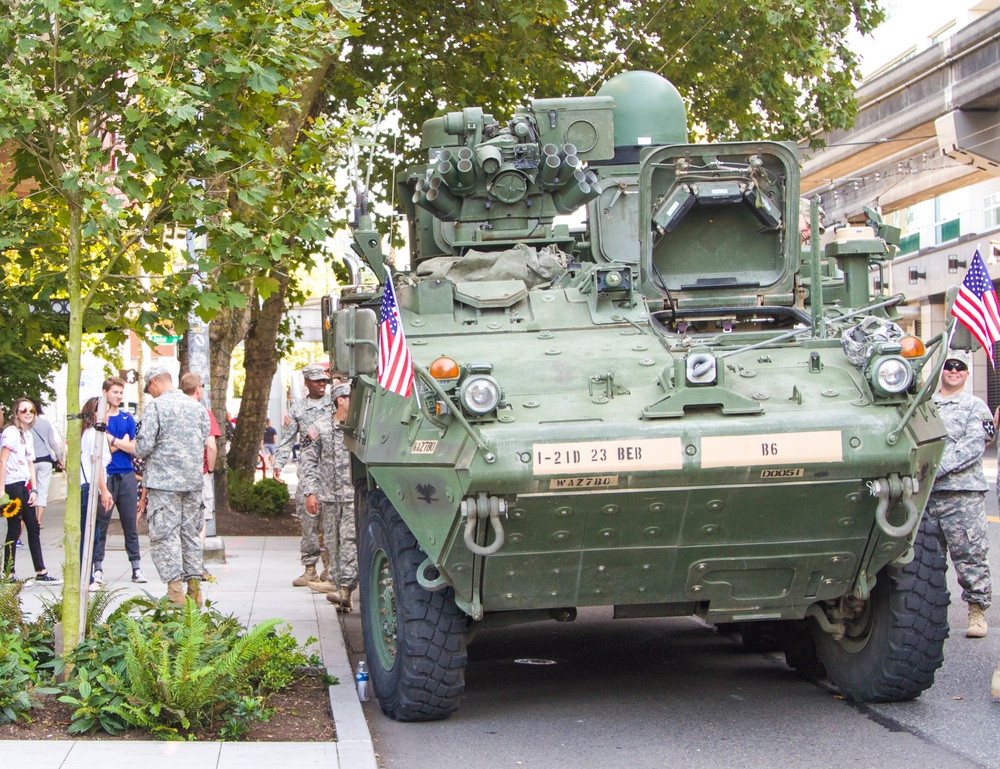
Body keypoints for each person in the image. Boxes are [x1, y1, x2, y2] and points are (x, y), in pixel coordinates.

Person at [928, 350, 993, 638]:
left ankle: (977, 612)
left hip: (962, 494)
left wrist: (934, 467)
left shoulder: (975, 406)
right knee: (924, 560)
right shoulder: (925, 405)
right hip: (925, 496)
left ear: (967, 373)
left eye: (960, 367)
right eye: (949, 366)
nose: (954, 371)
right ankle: (928, 617)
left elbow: (974, 445)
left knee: (970, 555)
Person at [135, 366, 210, 606]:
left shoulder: (156, 407)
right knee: (190, 535)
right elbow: (204, 440)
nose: (150, 393)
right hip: (192, 482)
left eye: (149, 388)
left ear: (155, 382)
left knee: (165, 536)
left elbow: (143, 446)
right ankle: (195, 592)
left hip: (164, 484)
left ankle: (175, 594)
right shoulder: (197, 408)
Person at [273, 363, 332, 587]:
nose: (321, 384)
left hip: (331, 473)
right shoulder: (298, 408)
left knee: (331, 524)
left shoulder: (334, 404)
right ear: (306, 383)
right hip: (308, 474)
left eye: (324, 381)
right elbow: (288, 439)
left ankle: (330, 568)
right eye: (316, 381)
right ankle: (309, 570)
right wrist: (278, 463)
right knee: (308, 523)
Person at [300, 383, 357, 611]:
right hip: (330, 497)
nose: (353, 400)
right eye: (349, 396)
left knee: (349, 541)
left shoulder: (358, 428)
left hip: (354, 496)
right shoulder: (319, 427)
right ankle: (338, 586)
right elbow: (308, 461)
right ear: (339, 400)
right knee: (333, 542)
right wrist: (310, 492)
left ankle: (345, 589)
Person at [0, 398, 60, 583]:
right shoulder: (10, 433)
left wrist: (34, 489)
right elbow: (2, 461)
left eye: (31, 410)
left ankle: (40, 571)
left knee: (33, 527)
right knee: (14, 528)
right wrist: (2, 490)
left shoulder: (27, 435)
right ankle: (8, 573)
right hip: (11, 484)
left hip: (23, 485)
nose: (27, 412)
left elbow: (30, 463)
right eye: (23, 409)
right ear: (16, 413)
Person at [95, 376, 147, 585]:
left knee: (130, 523)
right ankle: (97, 567)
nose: (118, 396)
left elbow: (134, 448)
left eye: (120, 392)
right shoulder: (100, 420)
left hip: (126, 474)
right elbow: (99, 448)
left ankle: (136, 566)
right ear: (105, 392)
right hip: (106, 475)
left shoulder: (127, 419)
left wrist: (114, 441)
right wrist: (122, 443)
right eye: (115, 392)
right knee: (102, 522)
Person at [179, 372, 221, 551]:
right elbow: (211, 446)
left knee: (181, 518)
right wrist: (210, 470)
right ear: (198, 389)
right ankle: (196, 562)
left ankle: (180, 560)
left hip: (177, 474)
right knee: (200, 518)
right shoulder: (204, 413)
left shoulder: (175, 412)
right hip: (199, 472)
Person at [79, 397, 113, 590]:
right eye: (104, 411)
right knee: (90, 534)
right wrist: (104, 490)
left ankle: (87, 575)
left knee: (91, 533)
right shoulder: (94, 434)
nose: (107, 415)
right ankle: (88, 577)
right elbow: (97, 462)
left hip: (88, 485)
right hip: (90, 487)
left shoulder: (87, 433)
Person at [28, 399, 63, 529]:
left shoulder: (24, 424)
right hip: (45, 461)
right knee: (42, 491)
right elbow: (52, 442)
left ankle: (27, 519)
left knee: (30, 490)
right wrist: (59, 458)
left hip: (29, 462)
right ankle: (38, 520)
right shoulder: (45, 423)